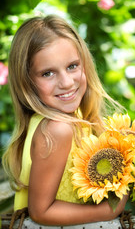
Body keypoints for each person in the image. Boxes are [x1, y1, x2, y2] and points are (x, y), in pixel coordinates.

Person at [2, 15, 128, 226]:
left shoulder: (68, 120)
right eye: (48, 73)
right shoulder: (57, 129)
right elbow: (41, 212)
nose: (67, 83)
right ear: (27, 82)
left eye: (72, 66)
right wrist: (106, 211)